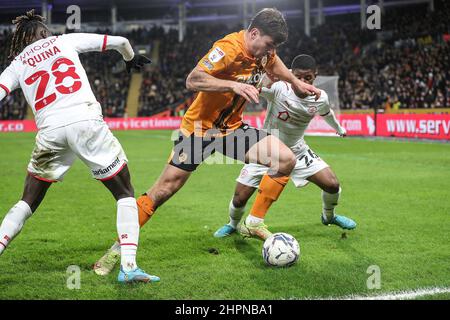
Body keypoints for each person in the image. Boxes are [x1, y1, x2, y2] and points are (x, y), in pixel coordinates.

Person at [94, 8, 321, 276]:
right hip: (200, 131)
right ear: (254, 33)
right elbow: (193, 79)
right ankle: (118, 249)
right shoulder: (227, 48)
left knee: (285, 159)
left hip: (232, 130)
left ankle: (253, 222)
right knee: (164, 190)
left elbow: (274, 64)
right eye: (268, 45)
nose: (268, 52)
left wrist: (295, 81)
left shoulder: (266, 53)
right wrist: (233, 86)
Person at [0, 10, 158, 283]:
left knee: (27, 201)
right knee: (124, 194)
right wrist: (130, 59)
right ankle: (129, 267)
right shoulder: (64, 41)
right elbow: (120, 41)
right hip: (85, 122)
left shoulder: (17, 64)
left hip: (50, 131)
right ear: (43, 32)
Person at [214, 54, 357, 239]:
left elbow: (326, 113)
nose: (302, 81)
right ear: (290, 74)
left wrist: (338, 128)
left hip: (297, 150)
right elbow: (255, 87)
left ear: (315, 75)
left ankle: (328, 217)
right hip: (266, 151)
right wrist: (260, 82)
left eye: (308, 78)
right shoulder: (279, 88)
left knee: (332, 184)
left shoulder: (320, 98)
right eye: (298, 77)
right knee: (239, 198)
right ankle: (232, 225)